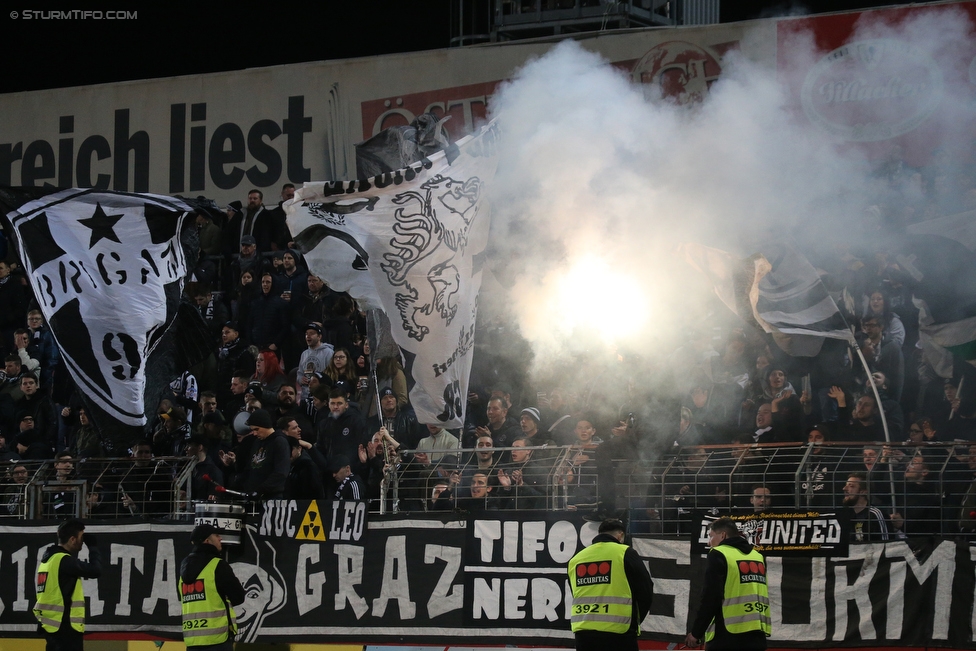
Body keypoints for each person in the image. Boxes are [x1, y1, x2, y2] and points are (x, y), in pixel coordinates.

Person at [567, 518, 653, 651]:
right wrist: (634, 620)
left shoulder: (576, 559)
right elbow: (646, 590)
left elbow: (575, 592)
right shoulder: (625, 553)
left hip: (584, 633)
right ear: (620, 535)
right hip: (619, 633)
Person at [685, 517, 770, 650]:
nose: (709, 542)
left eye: (711, 536)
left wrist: (697, 632)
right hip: (757, 634)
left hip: (727, 635)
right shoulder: (757, 556)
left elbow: (710, 597)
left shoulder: (719, 554)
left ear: (723, 535)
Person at [33, 518, 102, 651]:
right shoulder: (64, 560)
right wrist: (93, 547)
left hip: (52, 626)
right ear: (72, 539)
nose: (83, 540)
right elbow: (96, 570)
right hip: (65, 628)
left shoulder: (48, 559)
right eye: (82, 536)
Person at [179, 524, 245, 650]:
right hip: (217, 640)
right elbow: (238, 597)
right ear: (207, 541)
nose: (220, 538)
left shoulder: (183, 569)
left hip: (192, 641)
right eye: (216, 535)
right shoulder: (217, 565)